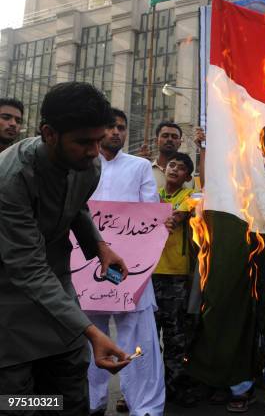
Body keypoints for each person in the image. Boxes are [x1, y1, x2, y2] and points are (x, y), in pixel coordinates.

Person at [0, 82, 130, 413]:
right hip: (9, 306)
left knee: (69, 396)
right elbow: (27, 268)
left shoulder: (89, 163)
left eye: (98, 141)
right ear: (49, 133)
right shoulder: (10, 178)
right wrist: (91, 332)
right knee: (19, 403)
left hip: (58, 298)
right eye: (84, 142)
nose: (93, 151)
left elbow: (75, 206)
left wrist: (99, 245)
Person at [86, 108, 165, 416]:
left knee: (140, 339)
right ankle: (91, 402)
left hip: (131, 267)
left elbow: (151, 213)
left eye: (121, 127)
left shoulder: (140, 166)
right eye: (110, 127)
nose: (116, 132)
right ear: (98, 131)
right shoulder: (82, 165)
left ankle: (145, 407)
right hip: (86, 268)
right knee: (90, 338)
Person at [154, 152, 202, 407]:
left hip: (176, 276)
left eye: (181, 168)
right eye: (171, 165)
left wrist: (165, 218)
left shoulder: (188, 197)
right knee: (150, 336)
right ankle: (151, 387)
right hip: (147, 275)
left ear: (187, 176)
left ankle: (174, 388)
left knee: (175, 336)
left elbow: (177, 218)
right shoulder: (151, 194)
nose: (174, 169)